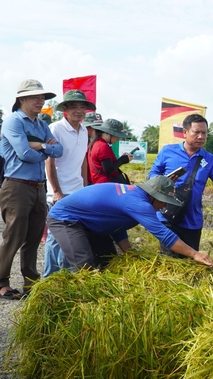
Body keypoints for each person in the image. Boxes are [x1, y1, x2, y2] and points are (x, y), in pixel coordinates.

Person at [47, 176, 213, 269]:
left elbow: (116, 223)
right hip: (66, 219)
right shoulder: (139, 203)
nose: (165, 205)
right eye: (164, 201)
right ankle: (78, 306)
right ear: (154, 196)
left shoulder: (135, 196)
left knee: (109, 262)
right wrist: (195, 254)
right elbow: (164, 235)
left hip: (92, 224)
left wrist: (128, 252)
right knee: (84, 265)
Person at [148, 113, 213, 257]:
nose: (201, 136)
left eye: (204, 133)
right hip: (167, 215)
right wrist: (163, 181)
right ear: (185, 133)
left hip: (192, 220)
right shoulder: (168, 152)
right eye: (196, 132)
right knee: (169, 261)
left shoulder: (208, 159)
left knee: (190, 262)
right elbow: (153, 174)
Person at [0, 79, 63, 299]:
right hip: (16, 186)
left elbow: (59, 150)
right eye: (35, 97)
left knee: (34, 238)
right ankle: (2, 283)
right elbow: (24, 154)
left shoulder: (41, 124)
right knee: (14, 237)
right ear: (22, 99)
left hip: (38, 187)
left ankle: (30, 284)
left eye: (42, 97)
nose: (41, 101)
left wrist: (41, 146)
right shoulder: (13, 122)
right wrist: (46, 149)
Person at [43, 90, 94, 278]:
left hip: (77, 192)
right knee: (57, 238)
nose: (79, 110)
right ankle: (49, 280)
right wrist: (56, 191)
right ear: (65, 108)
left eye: (82, 107)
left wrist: (85, 188)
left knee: (69, 238)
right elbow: (50, 161)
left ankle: (61, 279)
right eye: (74, 107)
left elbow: (82, 162)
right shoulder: (56, 129)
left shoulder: (83, 132)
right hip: (59, 193)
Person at [88, 118, 133, 184]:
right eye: (117, 136)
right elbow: (108, 170)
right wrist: (122, 160)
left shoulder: (96, 143)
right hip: (106, 184)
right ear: (109, 133)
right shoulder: (103, 146)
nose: (117, 139)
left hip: (99, 183)